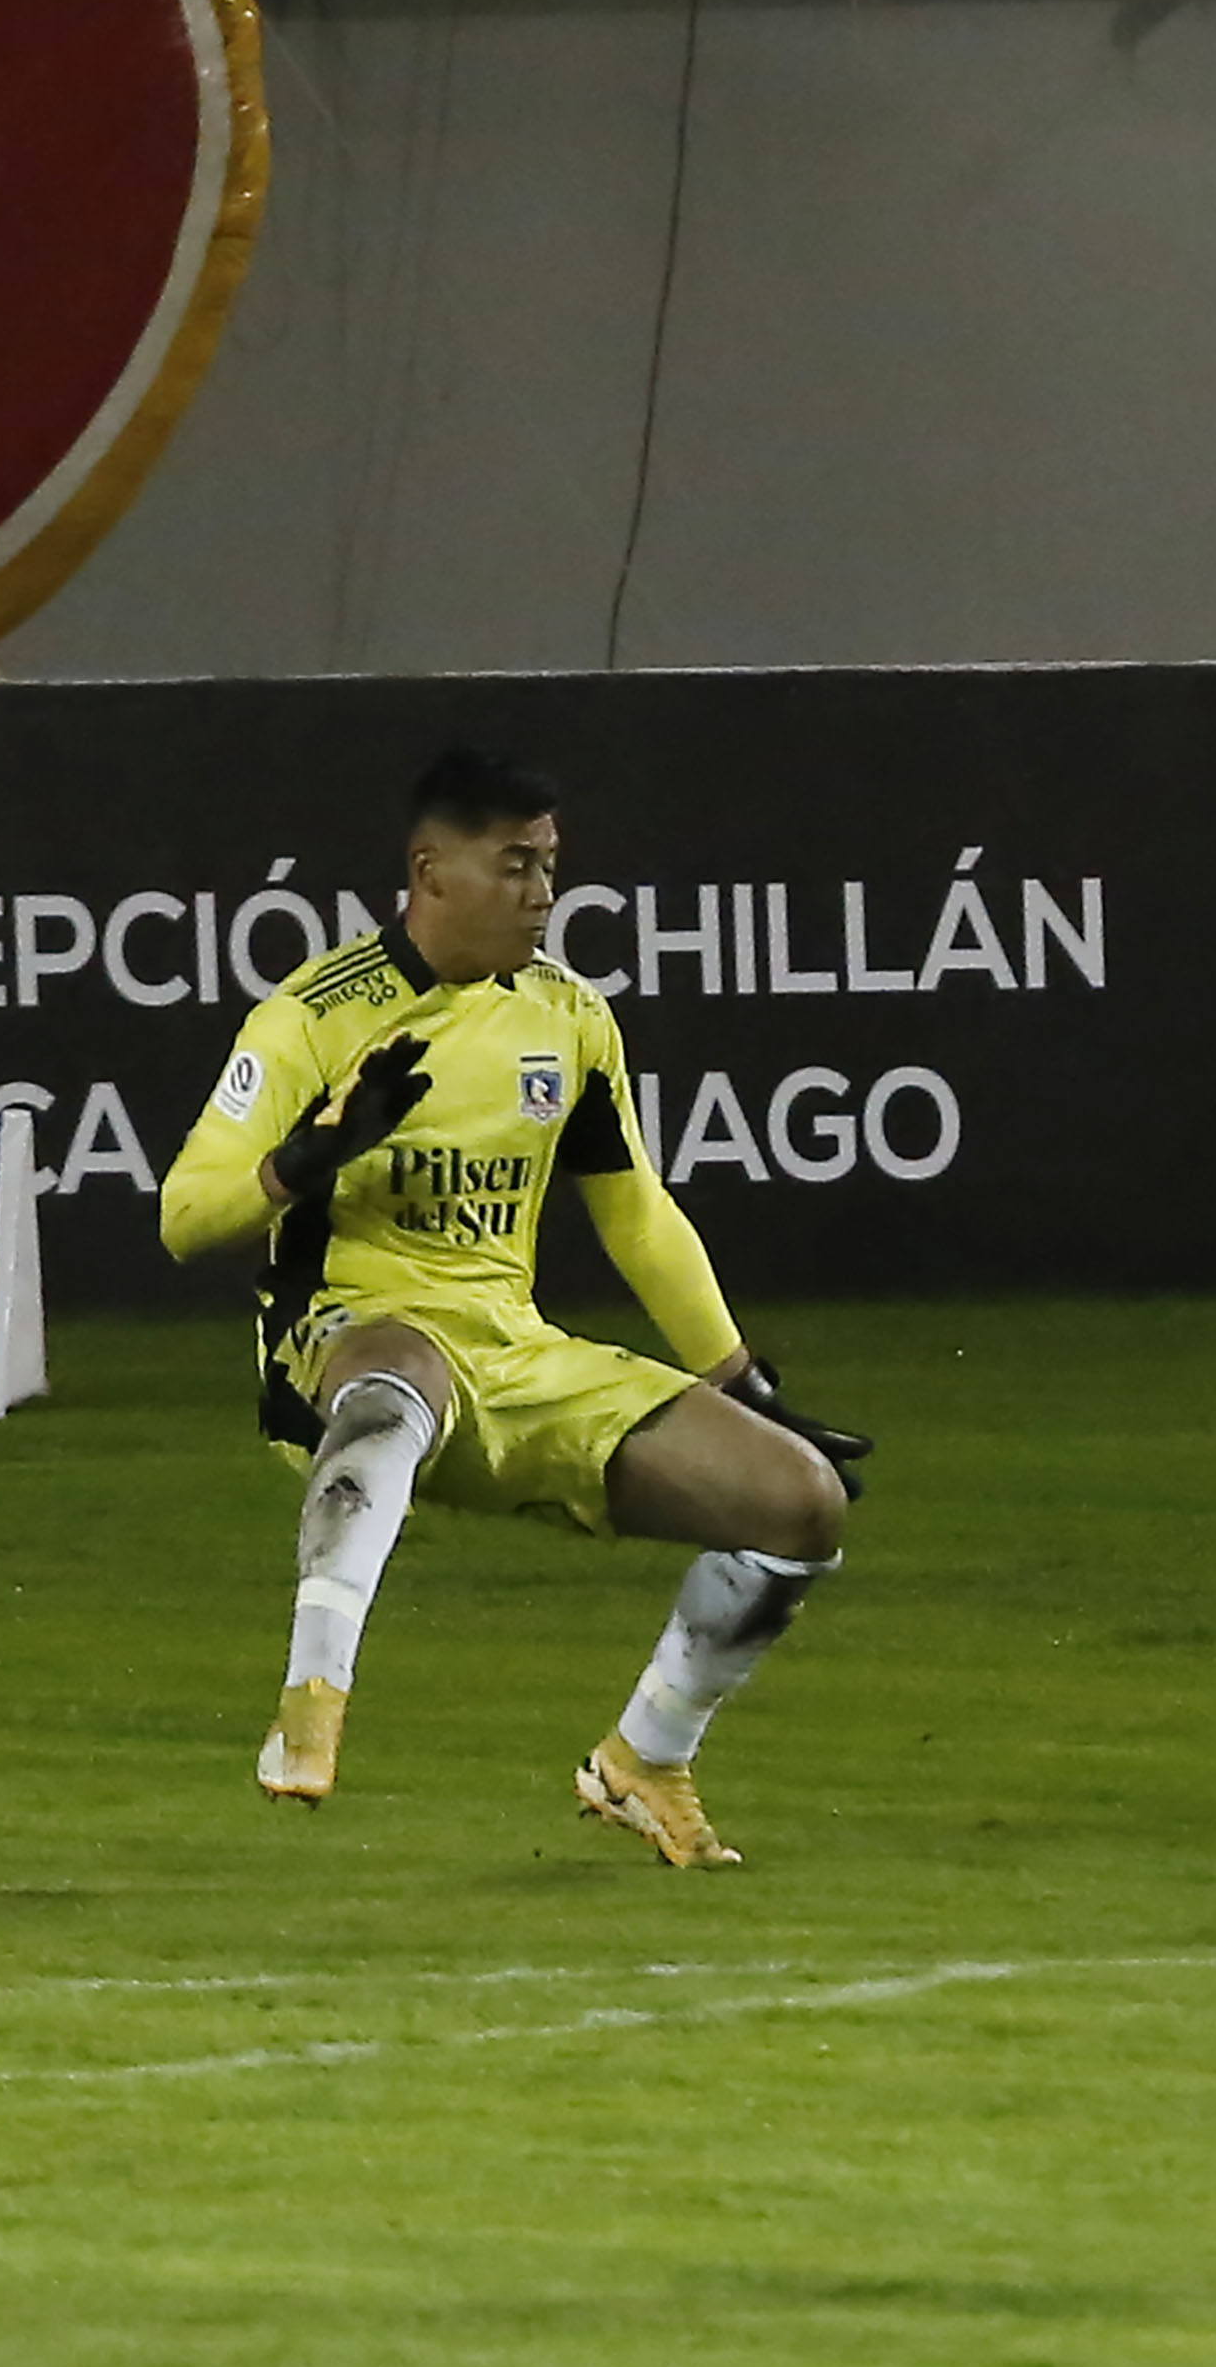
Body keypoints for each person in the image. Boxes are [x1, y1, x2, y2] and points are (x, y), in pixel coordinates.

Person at [158, 746, 872, 1868]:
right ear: (431, 870)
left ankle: (646, 1755)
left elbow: (635, 1212)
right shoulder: (313, 1017)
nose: (544, 891)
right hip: (344, 1341)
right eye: (516, 865)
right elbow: (185, 1216)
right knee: (397, 1380)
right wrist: (310, 1155)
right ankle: (312, 1692)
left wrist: (742, 1379)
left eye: (549, 865)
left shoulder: (569, 1018)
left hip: (516, 1353)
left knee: (800, 1504)